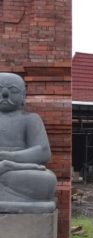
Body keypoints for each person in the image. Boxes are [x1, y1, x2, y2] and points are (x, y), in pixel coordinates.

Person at [0, 73, 57, 213]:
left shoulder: (30, 119)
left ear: (23, 95)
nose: (5, 95)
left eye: (13, 91)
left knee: (47, 181)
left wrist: (7, 156)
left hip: (19, 169)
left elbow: (43, 152)